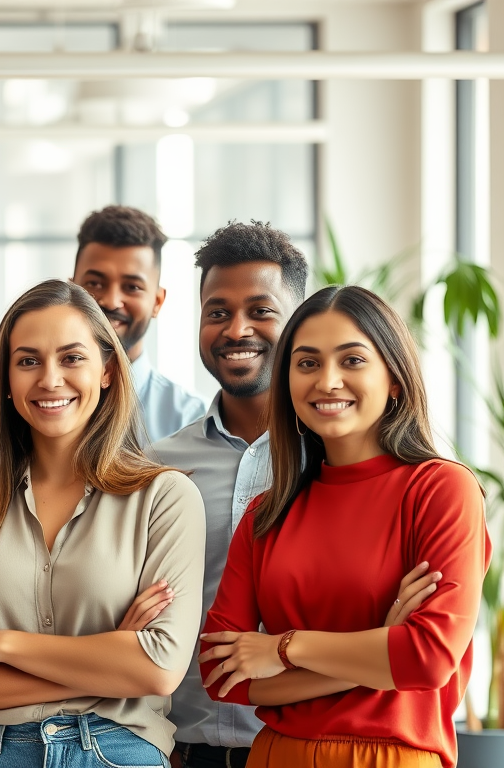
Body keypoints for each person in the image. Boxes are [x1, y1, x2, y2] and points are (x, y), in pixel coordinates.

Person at [0, 279, 207, 767]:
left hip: (118, 751)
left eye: (71, 358)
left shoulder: (165, 498)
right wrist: (107, 659)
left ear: (108, 370)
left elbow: (157, 670)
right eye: (28, 361)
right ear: (4, 380)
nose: (49, 379)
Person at [199, 286, 491, 768]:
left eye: (352, 360)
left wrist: (284, 648)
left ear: (394, 379)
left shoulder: (442, 490)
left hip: (394, 758)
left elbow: (428, 657)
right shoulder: (266, 514)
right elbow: (222, 675)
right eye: (307, 363)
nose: (327, 381)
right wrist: (377, 650)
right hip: (275, 757)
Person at [151, 221, 306, 768]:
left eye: (261, 310)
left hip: (301, 746)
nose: (236, 329)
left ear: (298, 323)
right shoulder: (157, 467)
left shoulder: (336, 462)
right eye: (217, 312)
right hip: (180, 749)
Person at [71, 205, 205, 442]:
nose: (111, 302)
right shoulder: (41, 401)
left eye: (132, 287)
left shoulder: (192, 420)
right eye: (95, 283)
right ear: (70, 290)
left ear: (157, 301)